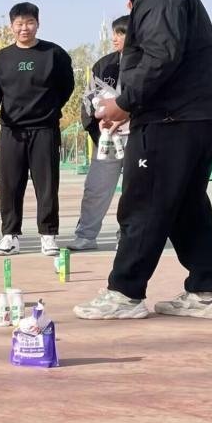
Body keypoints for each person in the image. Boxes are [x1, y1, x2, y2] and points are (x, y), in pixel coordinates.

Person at [74, 0, 212, 320]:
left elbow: (161, 55)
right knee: (185, 204)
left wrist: (125, 102)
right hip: (196, 115)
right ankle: (205, 291)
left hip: (172, 118)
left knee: (143, 202)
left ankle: (125, 293)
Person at [0, 2, 75, 257]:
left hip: (44, 129)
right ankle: (10, 236)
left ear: (38, 23)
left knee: (47, 185)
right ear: (11, 26)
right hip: (12, 131)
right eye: (19, 23)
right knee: (9, 185)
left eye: (29, 22)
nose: (24, 28)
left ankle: (48, 235)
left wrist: (49, 108)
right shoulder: (2, 58)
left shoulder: (54, 54)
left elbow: (66, 87)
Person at [68, 15, 129, 251]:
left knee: (135, 190)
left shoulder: (149, 64)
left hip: (139, 137)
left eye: (121, 33)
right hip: (108, 138)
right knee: (96, 188)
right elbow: (88, 99)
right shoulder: (104, 65)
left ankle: (127, 235)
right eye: (114, 33)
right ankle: (86, 235)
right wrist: (98, 127)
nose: (115, 38)